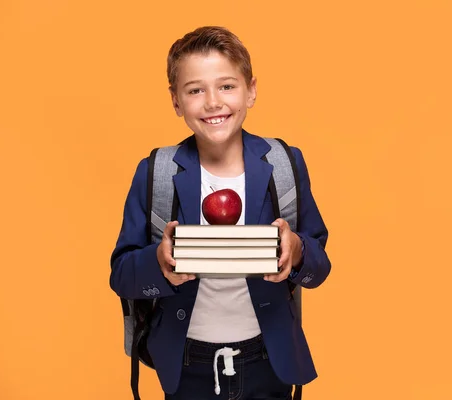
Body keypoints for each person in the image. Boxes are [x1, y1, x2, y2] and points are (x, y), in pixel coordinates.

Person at [110, 26, 331, 399]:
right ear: (176, 101)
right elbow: (121, 276)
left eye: (226, 86)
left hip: (268, 358)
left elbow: (319, 267)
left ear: (251, 90)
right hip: (186, 363)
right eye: (195, 90)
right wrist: (159, 263)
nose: (213, 102)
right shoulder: (156, 172)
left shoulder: (284, 163)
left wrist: (296, 251)